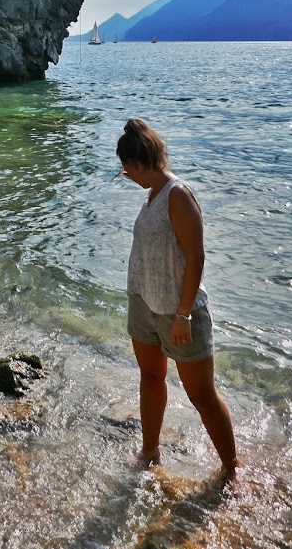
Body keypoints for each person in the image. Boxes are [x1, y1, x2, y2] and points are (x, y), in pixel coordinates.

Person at [116, 118, 239, 476]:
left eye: (127, 168)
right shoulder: (152, 194)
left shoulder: (178, 195)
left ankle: (231, 468)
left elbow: (196, 256)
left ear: (136, 163)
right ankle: (150, 451)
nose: (126, 175)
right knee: (150, 378)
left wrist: (183, 314)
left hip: (178, 311)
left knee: (202, 396)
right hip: (144, 302)